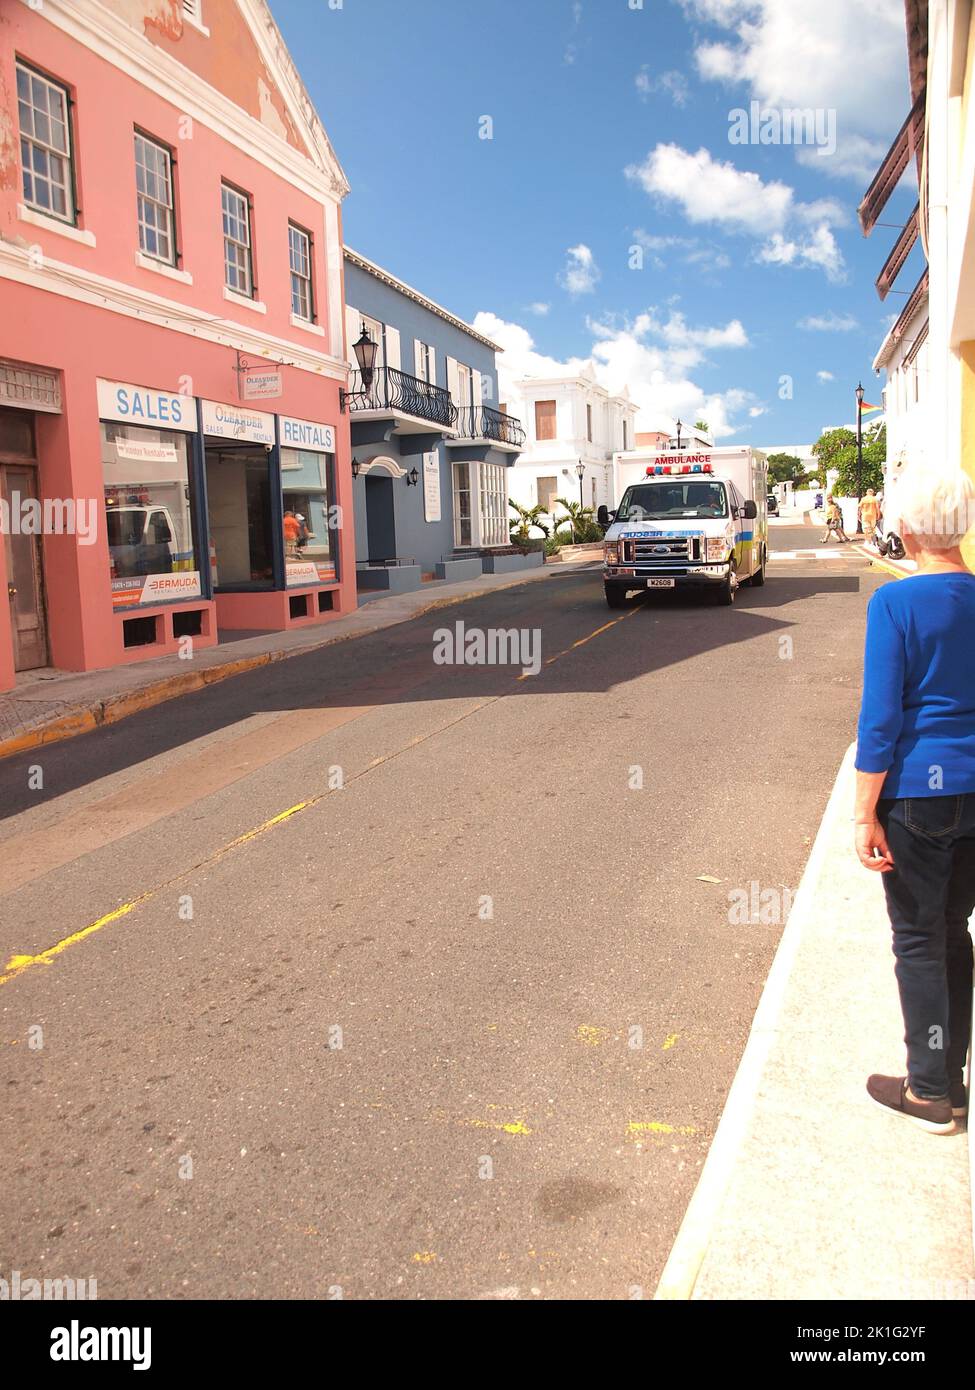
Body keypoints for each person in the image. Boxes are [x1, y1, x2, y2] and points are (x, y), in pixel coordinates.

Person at [854, 466, 975, 1134]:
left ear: (903, 527)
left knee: (918, 942)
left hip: (917, 801)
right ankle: (949, 1079)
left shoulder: (895, 605)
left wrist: (862, 810)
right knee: (952, 933)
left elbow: (880, 721)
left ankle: (929, 1091)